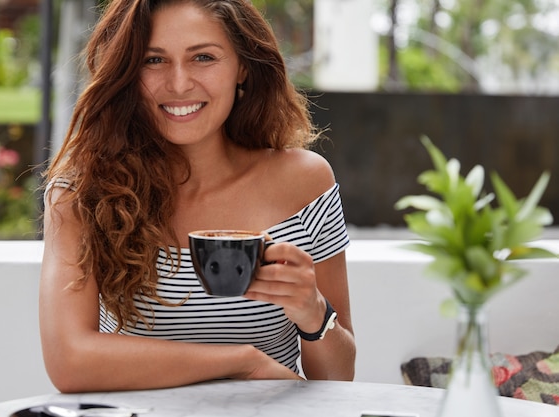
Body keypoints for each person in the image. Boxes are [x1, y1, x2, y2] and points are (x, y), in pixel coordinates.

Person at [39, 0, 356, 393]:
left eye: (203, 57)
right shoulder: (83, 193)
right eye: (154, 60)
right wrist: (243, 363)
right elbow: (70, 361)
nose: (178, 83)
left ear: (243, 66)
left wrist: (312, 311)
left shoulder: (305, 183)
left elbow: (339, 379)